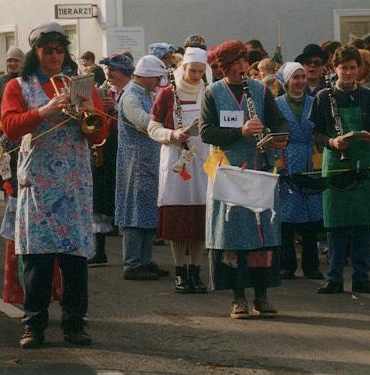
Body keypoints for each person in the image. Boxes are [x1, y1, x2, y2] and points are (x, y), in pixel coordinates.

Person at [0, 21, 107, 349]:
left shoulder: (80, 85)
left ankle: (75, 324)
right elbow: (10, 127)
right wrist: (44, 110)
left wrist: (92, 115)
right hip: (39, 182)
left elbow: (99, 135)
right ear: (36, 52)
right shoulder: (18, 85)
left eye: (60, 50)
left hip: (74, 182)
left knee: (75, 259)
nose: (55, 56)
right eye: (48, 51)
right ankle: (34, 324)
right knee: (38, 259)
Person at [200, 40, 289, 319]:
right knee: (234, 235)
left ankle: (262, 295)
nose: (242, 67)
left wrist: (277, 139)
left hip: (259, 169)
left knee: (263, 235)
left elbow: (280, 122)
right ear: (224, 67)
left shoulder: (261, 91)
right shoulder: (212, 93)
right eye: (236, 63)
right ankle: (238, 297)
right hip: (229, 173)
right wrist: (240, 131)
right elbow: (207, 132)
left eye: (244, 62)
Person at [310, 46, 370, 295]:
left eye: (353, 68)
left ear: (359, 69)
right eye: (343, 68)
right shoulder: (324, 97)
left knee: (363, 221)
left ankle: (361, 276)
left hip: (362, 161)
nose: (348, 72)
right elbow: (317, 133)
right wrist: (332, 142)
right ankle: (334, 276)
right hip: (335, 162)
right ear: (335, 69)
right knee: (335, 223)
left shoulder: (369, 97)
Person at [147, 47, 211, 293]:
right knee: (177, 218)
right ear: (182, 68)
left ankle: (196, 269)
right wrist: (172, 134)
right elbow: (153, 127)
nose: (195, 75)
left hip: (202, 158)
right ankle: (180, 270)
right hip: (176, 158)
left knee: (199, 217)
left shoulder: (208, 93)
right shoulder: (166, 94)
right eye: (191, 70)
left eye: (199, 71)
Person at [115, 54, 168, 281]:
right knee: (134, 211)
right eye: (156, 77)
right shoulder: (130, 97)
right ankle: (132, 263)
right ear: (146, 76)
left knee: (147, 211)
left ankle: (145, 260)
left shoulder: (146, 93)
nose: (158, 82)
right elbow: (143, 122)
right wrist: (166, 125)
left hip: (148, 159)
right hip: (134, 162)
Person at [274, 62, 325, 281]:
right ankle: (287, 264)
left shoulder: (315, 103)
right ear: (286, 81)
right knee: (286, 217)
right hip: (286, 157)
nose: (301, 81)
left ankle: (311, 265)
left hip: (310, 157)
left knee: (311, 217)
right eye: (296, 77)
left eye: (303, 77)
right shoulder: (276, 105)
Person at [88, 54, 133, 266]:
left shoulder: (132, 92)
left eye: (112, 71)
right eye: (107, 71)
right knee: (100, 196)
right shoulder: (107, 91)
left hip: (124, 150)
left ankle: (134, 258)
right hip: (107, 147)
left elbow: (137, 123)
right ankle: (100, 250)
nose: (108, 75)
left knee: (122, 198)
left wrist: (114, 110)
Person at [0, 47, 24, 119]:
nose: (12, 63)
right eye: (9, 60)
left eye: (16, 61)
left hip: (24, 124)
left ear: (22, 62)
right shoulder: (0, 81)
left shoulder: (28, 80)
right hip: (4, 126)